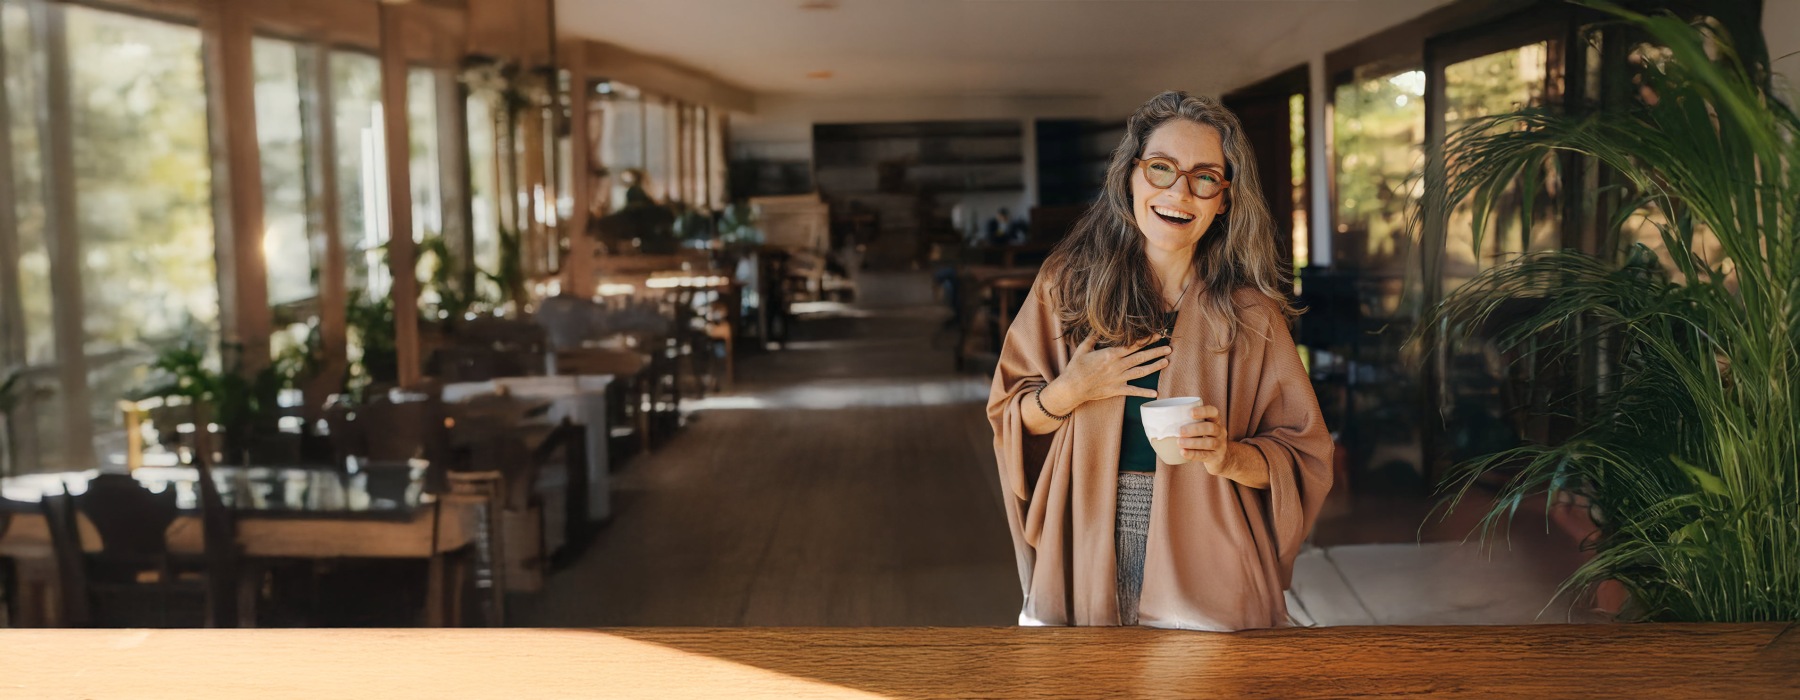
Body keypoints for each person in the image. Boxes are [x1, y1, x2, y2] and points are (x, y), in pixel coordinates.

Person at [986, 91, 1332, 630]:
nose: (1179, 192)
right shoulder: (1066, 288)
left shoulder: (1252, 315)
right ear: (1130, 176)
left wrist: (1227, 455)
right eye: (1162, 168)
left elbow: (1304, 457)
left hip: (1211, 548)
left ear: (1225, 198)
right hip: (1086, 533)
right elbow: (1009, 415)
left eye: (1204, 176)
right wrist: (1067, 392)